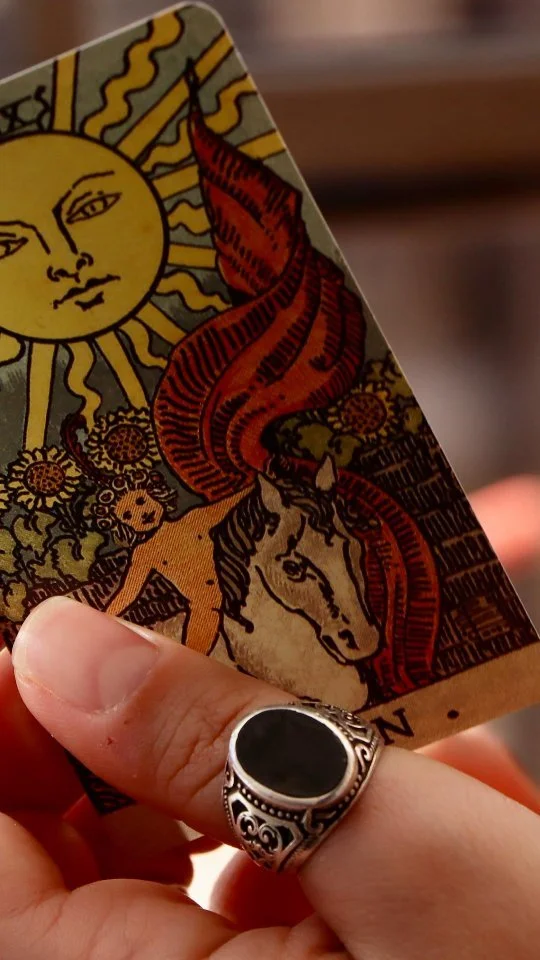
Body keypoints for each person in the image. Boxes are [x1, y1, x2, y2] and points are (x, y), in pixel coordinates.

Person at [1, 476, 540, 958]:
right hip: (201, 631)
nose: (143, 516)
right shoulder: (152, 552)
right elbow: (128, 590)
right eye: (132, 514)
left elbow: (232, 502)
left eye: (145, 505)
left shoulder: (193, 524)